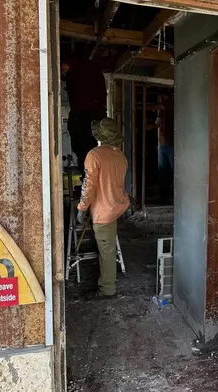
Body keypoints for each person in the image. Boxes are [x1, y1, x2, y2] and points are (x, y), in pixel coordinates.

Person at [77, 118, 129, 300]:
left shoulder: (95, 155)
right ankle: (105, 283)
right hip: (116, 206)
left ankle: (108, 289)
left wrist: (82, 208)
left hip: (103, 210)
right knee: (108, 247)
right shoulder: (119, 155)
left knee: (106, 251)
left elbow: (88, 186)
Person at [62, 50, 107, 177]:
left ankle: (88, 182)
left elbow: (64, 66)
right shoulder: (94, 69)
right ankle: (88, 181)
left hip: (85, 114)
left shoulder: (78, 64)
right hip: (93, 114)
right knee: (87, 150)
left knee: (83, 150)